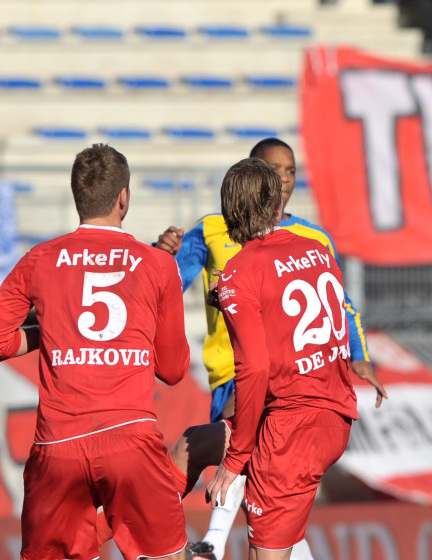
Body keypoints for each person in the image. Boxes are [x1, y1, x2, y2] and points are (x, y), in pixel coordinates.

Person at [155, 138, 384, 560]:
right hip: (328, 413)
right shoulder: (314, 247)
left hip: (287, 425)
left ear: (232, 211)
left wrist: (237, 457)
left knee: (266, 541)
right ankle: (151, 537)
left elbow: (256, 369)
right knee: (196, 444)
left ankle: (205, 543)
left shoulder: (242, 267)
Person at [0, 144, 191, 560]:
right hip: (131, 439)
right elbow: (174, 369)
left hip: (58, 448)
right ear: (123, 197)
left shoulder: (40, 258)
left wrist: (53, 332)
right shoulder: (158, 265)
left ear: (77, 196)